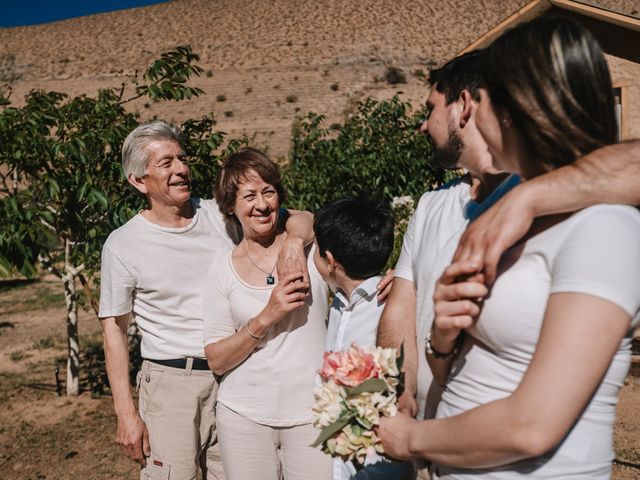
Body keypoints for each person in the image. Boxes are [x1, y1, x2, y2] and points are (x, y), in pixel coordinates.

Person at [378, 17, 640, 479]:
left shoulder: (603, 226)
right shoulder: (511, 222)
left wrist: (410, 438)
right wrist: (442, 337)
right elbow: (468, 373)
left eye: (481, 100)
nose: (471, 115)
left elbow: (531, 425)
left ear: (521, 106)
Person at [99, 123, 312, 480]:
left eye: (182, 158)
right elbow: (114, 332)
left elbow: (303, 218)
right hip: (170, 384)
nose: (181, 169)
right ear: (139, 181)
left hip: (235, 374)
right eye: (165, 163)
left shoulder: (220, 214)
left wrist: (292, 243)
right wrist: (126, 413)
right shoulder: (122, 244)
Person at [203, 147, 332, 480]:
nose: (261, 205)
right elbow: (216, 359)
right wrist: (266, 316)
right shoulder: (222, 270)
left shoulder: (312, 249)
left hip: (313, 413)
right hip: (244, 416)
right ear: (231, 206)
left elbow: (357, 277)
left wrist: (293, 242)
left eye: (268, 192)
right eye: (249, 196)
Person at [313, 196, 413, 480]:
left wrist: (410, 280)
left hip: (380, 466)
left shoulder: (395, 302)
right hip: (337, 462)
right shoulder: (339, 303)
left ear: (330, 261)